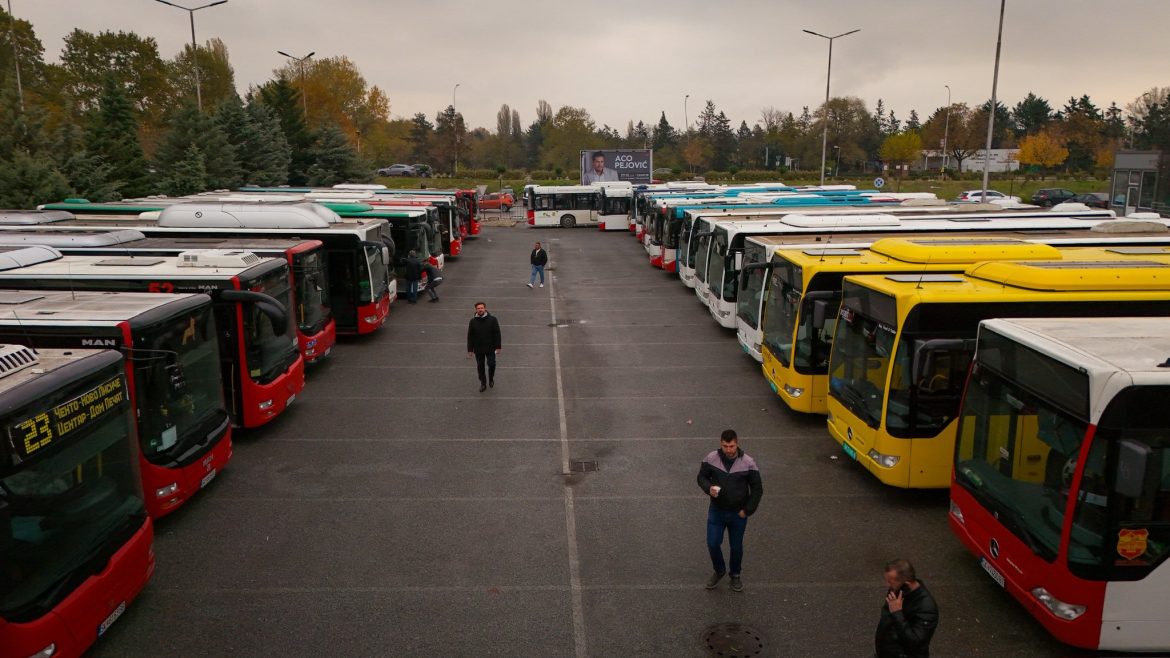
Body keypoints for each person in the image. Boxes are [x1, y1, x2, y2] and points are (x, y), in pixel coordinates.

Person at [696, 429, 762, 592]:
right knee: (712, 543)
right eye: (725, 446)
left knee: (736, 546)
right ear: (721, 444)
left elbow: (757, 488)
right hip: (717, 511)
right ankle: (719, 570)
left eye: (731, 446)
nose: (728, 450)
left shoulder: (748, 462)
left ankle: (735, 575)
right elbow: (701, 477)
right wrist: (708, 488)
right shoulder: (711, 458)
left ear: (737, 443)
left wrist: (747, 510)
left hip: (738, 513)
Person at [875, 559, 939, 658]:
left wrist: (897, 613)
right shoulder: (898, 590)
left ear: (907, 584)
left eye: (890, 582)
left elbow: (915, 642)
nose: (887, 585)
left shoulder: (926, 608)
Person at [466, 302, 501, 392]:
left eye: (481, 308)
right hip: (478, 349)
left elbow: (497, 333)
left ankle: (491, 378)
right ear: (476, 310)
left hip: (490, 347)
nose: (480, 310)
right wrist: (470, 349)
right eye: (478, 308)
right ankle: (483, 383)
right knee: (480, 366)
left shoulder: (493, 319)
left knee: (492, 364)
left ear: (485, 308)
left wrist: (498, 346)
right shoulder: (472, 321)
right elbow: (470, 336)